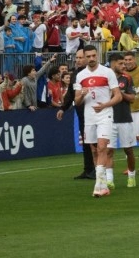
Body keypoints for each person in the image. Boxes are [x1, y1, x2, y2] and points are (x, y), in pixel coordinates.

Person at [75, 45, 122, 197]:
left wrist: (105, 105)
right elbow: (77, 101)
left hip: (105, 114)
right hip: (89, 116)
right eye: (88, 56)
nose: (91, 58)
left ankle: (97, 185)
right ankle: (103, 186)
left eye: (93, 55)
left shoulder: (107, 72)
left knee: (102, 147)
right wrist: (82, 94)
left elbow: (118, 96)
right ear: (84, 57)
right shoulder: (80, 76)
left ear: (97, 55)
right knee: (94, 150)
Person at [57, 49, 95, 180]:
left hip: (94, 113)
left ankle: (98, 169)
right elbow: (70, 94)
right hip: (81, 113)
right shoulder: (75, 74)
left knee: (94, 142)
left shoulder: (92, 73)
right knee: (86, 141)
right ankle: (88, 169)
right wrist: (63, 108)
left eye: (80, 57)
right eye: (76, 57)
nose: (77, 60)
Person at [107, 53, 138, 188]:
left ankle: (131, 177)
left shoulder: (127, 78)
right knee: (109, 151)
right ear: (113, 64)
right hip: (109, 119)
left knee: (128, 150)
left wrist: (120, 93)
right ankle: (109, 180)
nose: (123, 66)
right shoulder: (105, 78)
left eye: (124, 63)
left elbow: (132, 98)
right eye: (120, 63)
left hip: (124, 118)